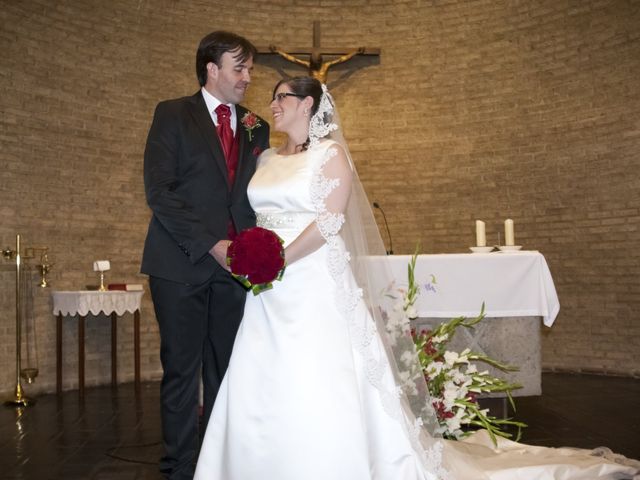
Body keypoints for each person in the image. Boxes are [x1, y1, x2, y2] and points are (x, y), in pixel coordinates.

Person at [194, 77, 639, 479]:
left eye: (281, 97)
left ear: (307, 103)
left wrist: (279, 259)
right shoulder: (267, 157)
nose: (271, 104)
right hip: (267, 291)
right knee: (261, 373)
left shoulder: (331, 155)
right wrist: (251, 257)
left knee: (317, 373)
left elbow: (329, 222)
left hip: (310, 280)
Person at [141, 31, 269, 479]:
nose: (248, 77)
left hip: (234, 272)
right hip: (180, 263)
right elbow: (160, 192)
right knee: (181, 373)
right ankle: (178, 468)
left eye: (250, 68)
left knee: (226, 373)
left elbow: (256, 197)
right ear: (212, 69)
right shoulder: (173, 114)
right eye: (240, 68)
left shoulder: (256, 126)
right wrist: (212, 244)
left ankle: (217, 465)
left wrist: (255, 248)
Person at [269, 44, 365, 83]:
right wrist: (279, 51)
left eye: (318, 62)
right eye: (315, 63)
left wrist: (355, 52)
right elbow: (293, 59)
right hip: (312, 91)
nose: (317, 64)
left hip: (323, 91)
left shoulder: (326, 66)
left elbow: (342, 59)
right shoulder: (309, 66)